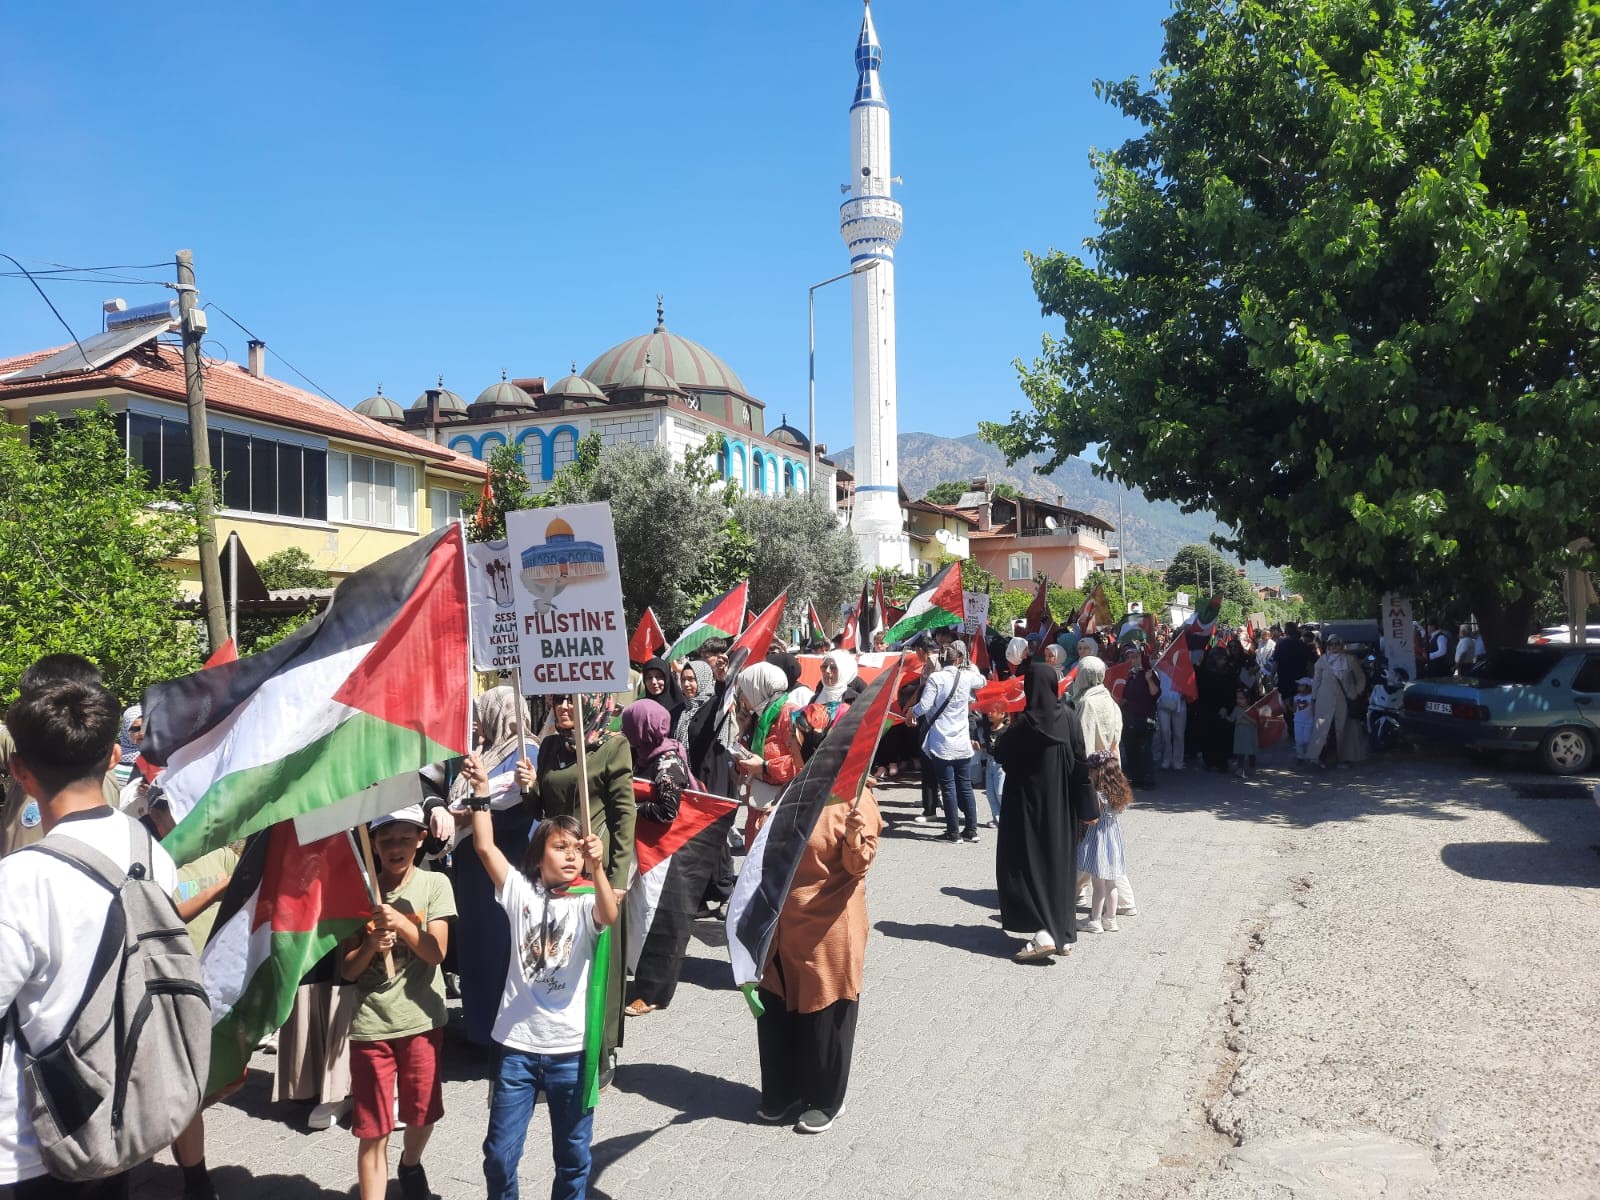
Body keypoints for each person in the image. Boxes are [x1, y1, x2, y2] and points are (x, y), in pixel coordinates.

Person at [0, 673, 182, 1200]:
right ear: (110, 758)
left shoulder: (19, 881)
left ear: (20, 771)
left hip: (30, 1141)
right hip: (115, 1111)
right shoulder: (151, 854)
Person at [466, 747, 618, 1200]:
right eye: (560, 847)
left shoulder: (588, 900)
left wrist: (599, 868)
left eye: (576, 849)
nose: (570, 856)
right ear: (538, 857)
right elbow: (483, 846)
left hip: (571, 1053)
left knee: (572, 1157)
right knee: (498, 1154)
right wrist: (479, 793)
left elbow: (609, 915)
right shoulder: (520, 894)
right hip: (516, 1049)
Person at [754, 703, 882, 1135]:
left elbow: (859, 864)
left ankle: (827, 1098)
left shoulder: (853, 793)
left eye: (794, 734)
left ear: (810, 740)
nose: (788, 739)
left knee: (825, 1014)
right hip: (783, 923)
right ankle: (784, 1090)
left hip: (828, 925)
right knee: (778, 1008)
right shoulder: (799, 783)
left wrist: (854, 835)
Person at [517, 693, 636, 1089]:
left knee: (595, 967)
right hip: (553, 871)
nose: (562, 708)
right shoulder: (551, 745)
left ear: (591, 701)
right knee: (554, 963)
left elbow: (624, 815)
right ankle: (550, 1052)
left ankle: (600, 1052)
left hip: (592, 874)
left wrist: (616, 880)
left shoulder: (612, 745)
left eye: (570, 701)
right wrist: (530, 788)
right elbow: (542, 810)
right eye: (557, 701)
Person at [339, 805, 456, 1200]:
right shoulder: (357, 894)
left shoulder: (435, 884)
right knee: (373, 1129)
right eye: (386, 838)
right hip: (370, 1026)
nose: (395, 846)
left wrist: (403, 923)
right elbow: (348, 971)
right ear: (372, 843)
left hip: (422, 1021)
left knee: (422, 1114)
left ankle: (410, 1163)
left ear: (422, 838)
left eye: (405, 837)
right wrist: (371, 943)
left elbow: (436, 952)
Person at [620, 698, 724, 1017]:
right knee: (642, 918)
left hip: (667, 857)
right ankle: (642, 980)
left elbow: (667, 810)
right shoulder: (646, 755)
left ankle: (653, 993)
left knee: (658, 921)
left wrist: (626, 809)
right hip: (651, 853)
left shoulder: (667, 762)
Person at [449, 687, 539, 1047]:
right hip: (473, 866)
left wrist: (466, 811)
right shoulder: (484, 752)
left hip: (506, 862)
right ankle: (480, 1027)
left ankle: (505, 1035)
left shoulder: (526, 751)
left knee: (502, 947)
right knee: (478, 947)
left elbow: (510, 801)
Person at [993, 660, 1099, 962]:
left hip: (1028, 811)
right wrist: (1087, 806)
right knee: (1058, 866)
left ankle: (1044, 935)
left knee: (1029, 868)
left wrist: (1000, 728)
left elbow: (1001, 752)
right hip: (1062, 809)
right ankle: (1063, 932)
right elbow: (1081, 763)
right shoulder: (1068, 716)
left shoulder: (1027, 723)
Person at [1072, 657, 1140, 920]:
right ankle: (1081, 891)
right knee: (1101, 845)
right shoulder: (1109, 700)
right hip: (1112, 775)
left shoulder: (1088, 703)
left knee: (1094, 844)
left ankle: (1122, 900)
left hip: (1095, 778)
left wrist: (1082, 779)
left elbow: (1084, 743)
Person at [910, 640, 984, 843]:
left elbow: (924, 705)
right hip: (961, 741)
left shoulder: (936, 678)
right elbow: (983, 681)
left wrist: (911, 713)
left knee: (949, 787)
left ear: (941, 659)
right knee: (965, 786)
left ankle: (953, 832)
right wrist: (969, 668)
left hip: (942, 740)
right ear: (958, 659)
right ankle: (971, 830)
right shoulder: (967, 676)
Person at [1076, 751, 1133, 934]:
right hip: (1114, 839)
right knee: (1111, 883)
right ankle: (1110, 919)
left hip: (1098, 840)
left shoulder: (1098, 794)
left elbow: (1092, 819)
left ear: (1097, 772)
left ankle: (1094, 920)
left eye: (1090, 770)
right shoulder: (1119, 792)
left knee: (1098, 884)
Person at [1306, 635, 1367, 767]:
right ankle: (1320, 757)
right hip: (1325, 699)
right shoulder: (1322, 660)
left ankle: (1344, 758)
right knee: (1323, 728)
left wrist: (1356, 692)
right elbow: (1316, 681)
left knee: (1344, 728)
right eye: (1330, 644)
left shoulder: (1350, 660)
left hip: (1345, 699)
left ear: (1341, 645)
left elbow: (1361, 678)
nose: (1333, 647)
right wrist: (1314, 698)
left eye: (1336, 644)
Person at [1117, 644, 1161, 788]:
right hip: (1128, 716)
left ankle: (1148, 779)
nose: (1132, 659)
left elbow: (1155, 693)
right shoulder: (1123, 676)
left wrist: (1148, 679)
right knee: (1131, 749)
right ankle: (1136, 779)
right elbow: (1117, 694)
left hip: (1146, 717)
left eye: (1135, 657)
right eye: (1129, 657)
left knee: (1145, 748)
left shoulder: (1149, 673)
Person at [814, 648, 863, 718]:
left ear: (843, 671)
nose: (827, 671)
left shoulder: (855, 700)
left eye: (833, 668)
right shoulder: (815, 698)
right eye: (824, 667)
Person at [673, 660, 715, 742]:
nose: (686, 684)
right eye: (683, 680)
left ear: (703, 680)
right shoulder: (681, 709)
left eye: (691, 679)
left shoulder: (713, 707)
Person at [1222, 688, 1260, 777]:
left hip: (1250, 734)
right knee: (1240, 751)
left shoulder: (1252, 709)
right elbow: (1232, 719)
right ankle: (1240, 768)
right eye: (1237, 698)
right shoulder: (1236, 709)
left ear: (1248, 699)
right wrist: (1225, 716)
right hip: (1240, 733)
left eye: (1242, 698)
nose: (1239, 700)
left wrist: (1246, 717)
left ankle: (1252, 766)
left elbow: (1255, 722)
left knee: (1251, 751)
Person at [637, 657, 685, 727]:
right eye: (649, 677)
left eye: (659, 676)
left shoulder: (682, 706)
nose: (653, 682)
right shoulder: (639, 707)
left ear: (667, 678)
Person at [1292, 677, 1316, 762]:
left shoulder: (1311, 698)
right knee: (1299, 740)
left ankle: (1310, 755)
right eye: (1299, 685)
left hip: (1309, 722)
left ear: (1308, 687)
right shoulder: (1296, 697)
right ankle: (1300, 756)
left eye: (1302, 685)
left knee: (1307, 740)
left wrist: (1315, 719)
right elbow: (1294, 709)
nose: (1299, 687)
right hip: (1298, 722)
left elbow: (1313, 710)